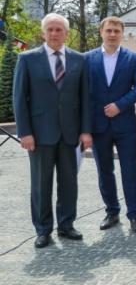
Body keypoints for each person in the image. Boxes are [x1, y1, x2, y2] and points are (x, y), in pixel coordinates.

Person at [13, 13, 92, 248]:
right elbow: (19, 99)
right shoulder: (27, 59)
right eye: (50, 30)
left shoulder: (79, 60)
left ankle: (66, 225)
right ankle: (43, 229)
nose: (55, 33)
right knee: (41, 183)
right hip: (38, 134)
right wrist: (24, 132)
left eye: (59, 29)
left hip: (70, 133)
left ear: (67, 33)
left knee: (69, 182)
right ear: (43, 33)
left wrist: (86, 131)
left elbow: (85, 98)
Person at [87, 16, 136, 233]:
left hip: (125, 125)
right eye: (109, 30)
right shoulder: (87, 58)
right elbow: (83, 92)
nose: (113, 34)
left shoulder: (133, 58)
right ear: (101, 32)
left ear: (122, 33)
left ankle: (135, 215)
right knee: (105, 171)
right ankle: (112, 212)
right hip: (98, 125)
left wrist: (120, 105)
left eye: (117, 31)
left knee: (130, 170)